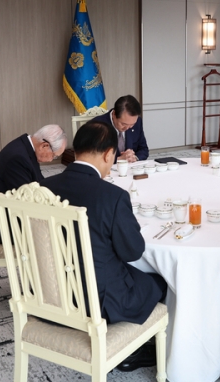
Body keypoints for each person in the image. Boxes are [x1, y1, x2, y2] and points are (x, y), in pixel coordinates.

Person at [40, 120, 167, 372]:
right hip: (97, 302)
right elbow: (132, 252)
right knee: (159, 283)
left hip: (49, 295)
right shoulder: (113, 196)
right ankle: (135, 348)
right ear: (110, 154)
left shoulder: (43, 188)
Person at [0, 125, 66, 244]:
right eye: (54, 155)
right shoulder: (18, 158)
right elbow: (27, 200)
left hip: (8, 212)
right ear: (44, 145)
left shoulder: (26, 147)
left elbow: (37, 183)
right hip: (0, 225)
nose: (52, 160)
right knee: (63, 231)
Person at [94, 95, 148, 163]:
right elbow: (92, 158)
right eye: (123, 124)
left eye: (132, 124)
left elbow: (144, 149)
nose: (128, 128)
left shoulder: (138, 122)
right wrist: (118, 159)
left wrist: (134, 157)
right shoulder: (97, 126)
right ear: (114, 114)